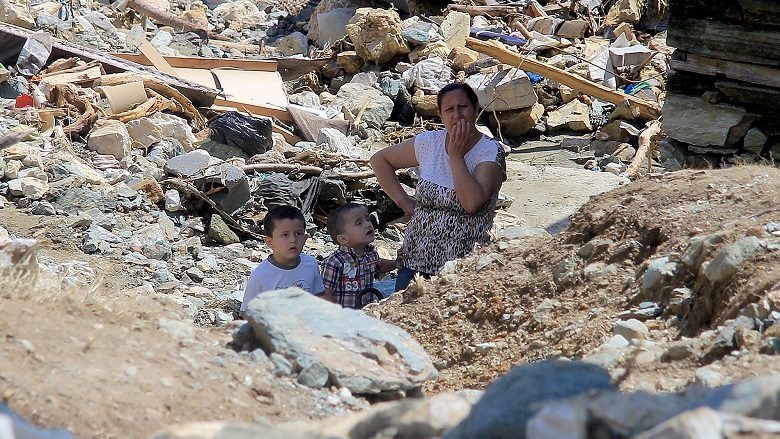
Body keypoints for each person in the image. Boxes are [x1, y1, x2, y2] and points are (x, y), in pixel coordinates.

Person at [369, 82, 506, 292]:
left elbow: (471, 203)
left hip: (461, 263)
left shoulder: (490, 151)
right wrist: (405, 202)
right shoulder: (429, 143)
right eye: (449, 110)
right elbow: (380, 160)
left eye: (463, 107)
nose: (457, 115)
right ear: (441, 115)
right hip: (417, 255)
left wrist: (456, 156)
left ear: (476, 109)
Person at [240, 205, 325, 313]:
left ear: (305, 238)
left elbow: (320, 297)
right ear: (270, 242)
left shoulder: (311, 264)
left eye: (298, 234)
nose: (293, 240)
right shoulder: (260, 276)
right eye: (285, 235)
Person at [321, 203, 398, 308]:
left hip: (368, 310)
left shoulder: (371, 253)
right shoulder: (335, 261)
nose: (368, 224)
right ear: (343, 238)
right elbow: (326, 291)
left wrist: (395, 263)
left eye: (367, 219)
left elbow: (379, 266)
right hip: (346, 314)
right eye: (359, 223)